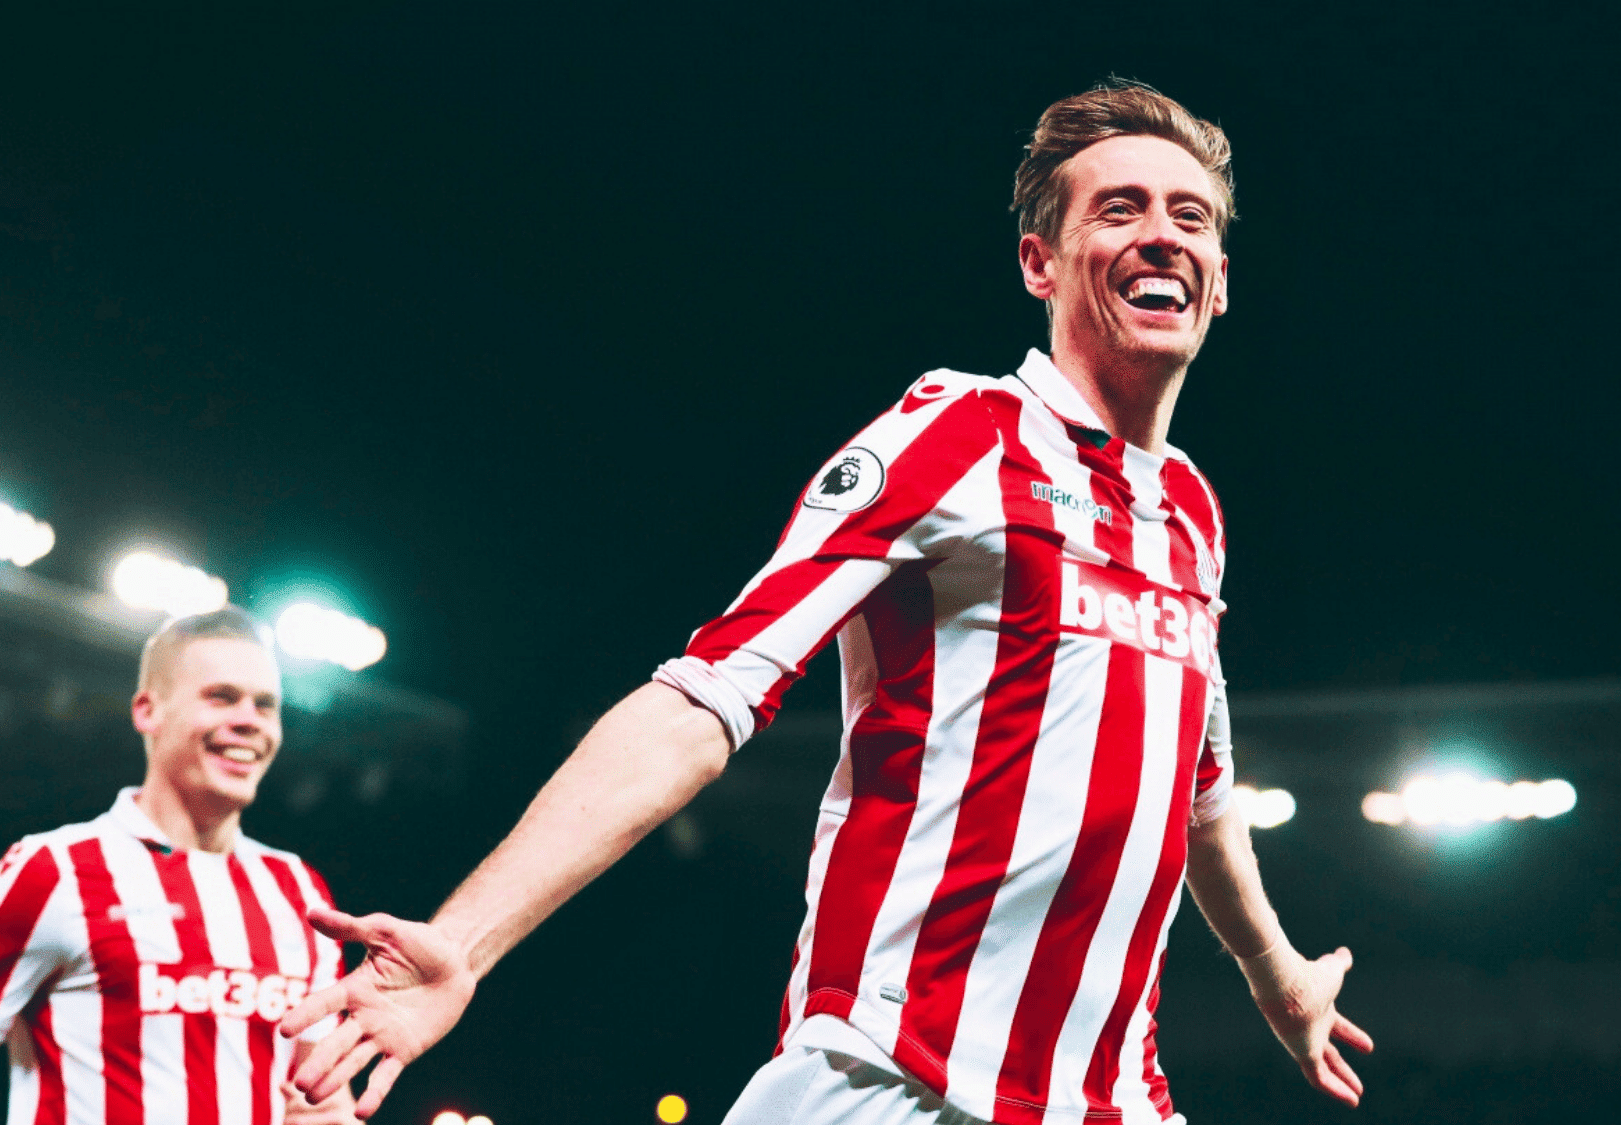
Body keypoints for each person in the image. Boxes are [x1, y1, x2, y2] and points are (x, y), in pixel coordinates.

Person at [283, 81, 1374, 1123]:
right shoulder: (956, 438)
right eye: (1119, 209)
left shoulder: (1190, 510)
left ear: (1218, 280)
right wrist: (466, 940)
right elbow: (706, 695)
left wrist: (1272, 969)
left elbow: (1199, 791)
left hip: (1109, 1098)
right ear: (1039, 263)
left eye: (1189, 216)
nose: (1160, 235)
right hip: (891, 1076)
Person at [0, 608, 360, 1124]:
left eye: (265, 704)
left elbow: (321, 1103)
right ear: (148, 711)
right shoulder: (53, 869)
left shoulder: (301, 892)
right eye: (221, 697)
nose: (249, 720)